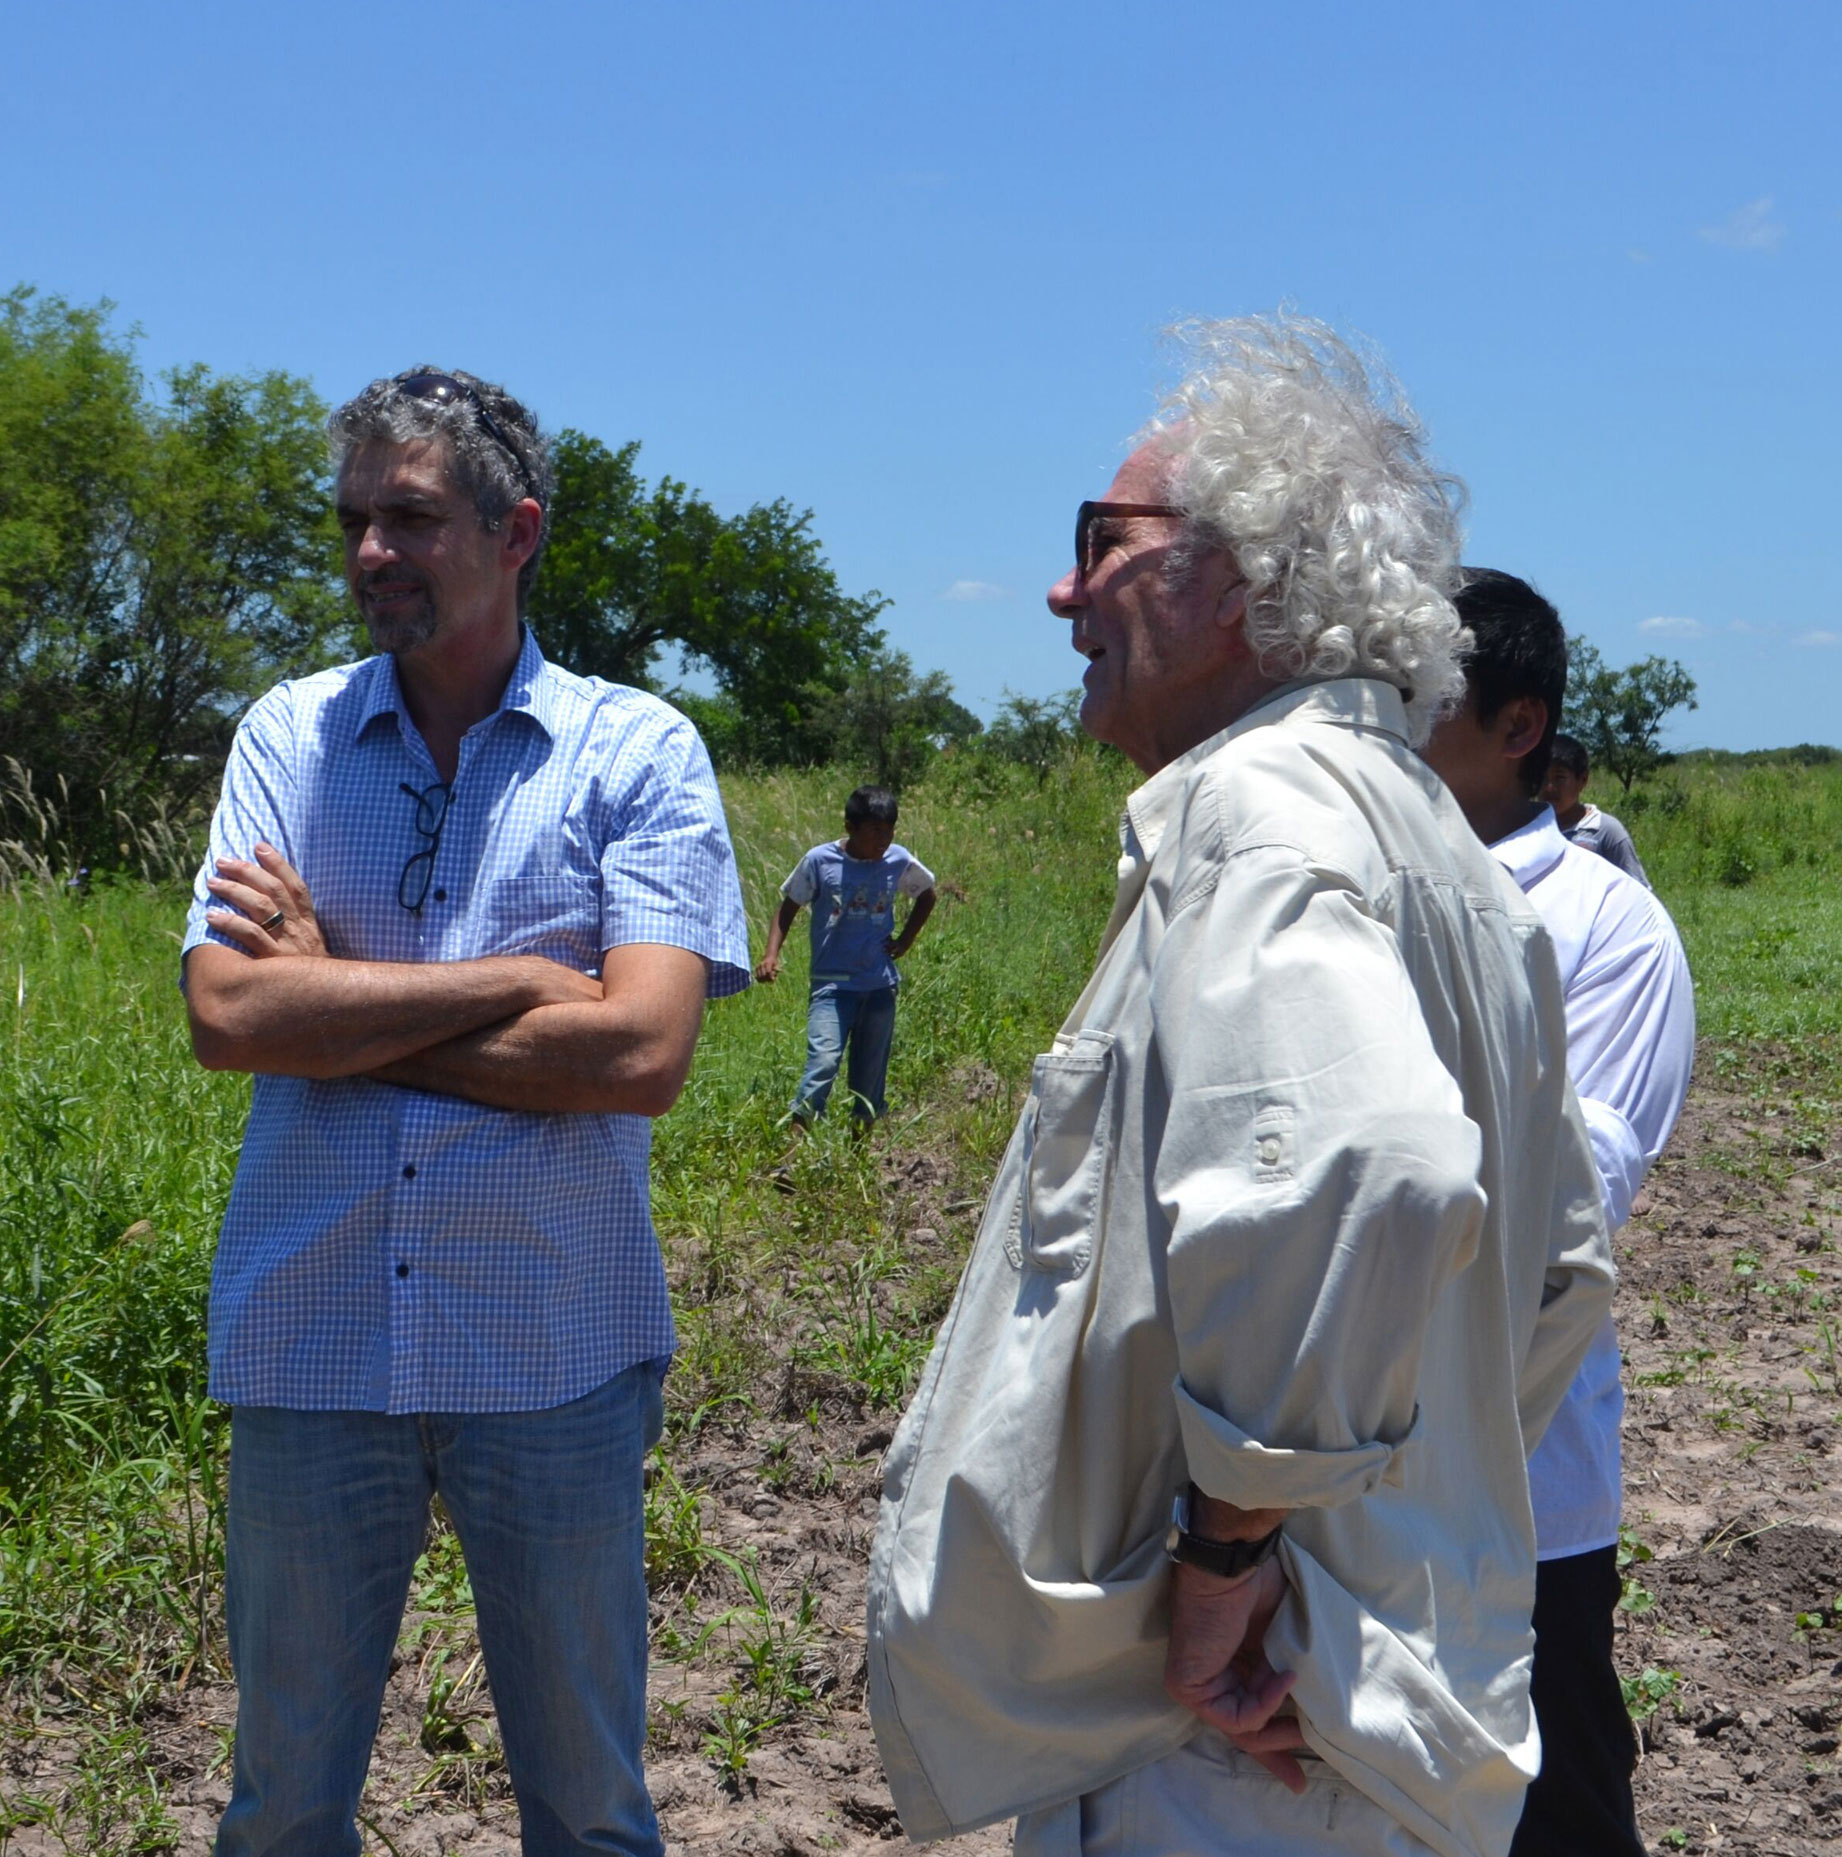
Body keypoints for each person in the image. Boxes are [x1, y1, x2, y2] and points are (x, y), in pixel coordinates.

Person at [865, 315, 1612, 1857]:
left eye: (1102, 542)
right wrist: (1371, 1513)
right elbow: (1556, 1276)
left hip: (1227, 1741)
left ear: (1243, 579)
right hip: (1362, 1705)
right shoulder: (1447, 858)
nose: (1065, 593)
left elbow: (1371, 1169)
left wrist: (1230, 1552)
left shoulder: (1261, 813)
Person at [181, 366, 751, 1857]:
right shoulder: (285, 741)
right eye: (358, 518)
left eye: (414, 517)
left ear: (519, 534)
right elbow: (232, 1016)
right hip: (312, 1343)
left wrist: (343, 1007)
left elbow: (639, 1056)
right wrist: (513, 980)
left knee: (588, 1807)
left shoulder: (637, 753)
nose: (374, 549)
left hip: (550, 1348)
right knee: (282, 1805)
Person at [1423, 570, 1695, 1857]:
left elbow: (1566, 1204)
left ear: (1518, 727)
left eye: (1419, 696)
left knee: (1556, 1807)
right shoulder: (1354, 892)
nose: (1382, 725)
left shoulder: (1602, 926)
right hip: (1330, 1470)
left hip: (1522, 1472)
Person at [754, 784, 937, 1129]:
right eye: (874, 831)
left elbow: (927, 896)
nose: (883, 839)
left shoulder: (897, 859)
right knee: (822, 1061)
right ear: (851, 828)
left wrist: (905, 941)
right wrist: (770, 954)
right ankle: (796, 1147)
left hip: (879, 986)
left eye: (889, 830)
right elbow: (789, 904)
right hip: (832, 985)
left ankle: (859, 1156)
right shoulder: (820, 861)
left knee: (869, 1077)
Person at [1541, 734, 1649, 884]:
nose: (1549, 787)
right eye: (1543, 778)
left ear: (1582, 780)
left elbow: (1638, 890)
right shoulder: (1529, 828)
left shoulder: (1605, 831)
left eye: (1559, 778)